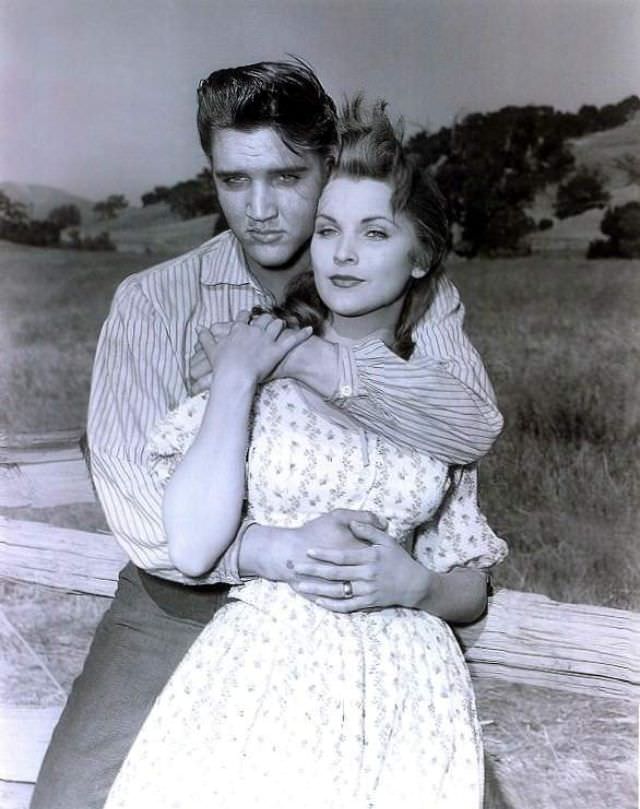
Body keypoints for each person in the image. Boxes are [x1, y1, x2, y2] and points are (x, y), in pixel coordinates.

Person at [30, 61, 502, 809]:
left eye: (286, 178)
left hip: (366, 618)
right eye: (232, 181)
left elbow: (470, 426)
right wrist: (280, 550)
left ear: (327, 163)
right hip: (182, 598)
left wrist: (318, 360)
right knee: (74, 798)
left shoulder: (419, 296)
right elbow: (138, 503)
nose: (258, 209)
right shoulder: (152, 302)